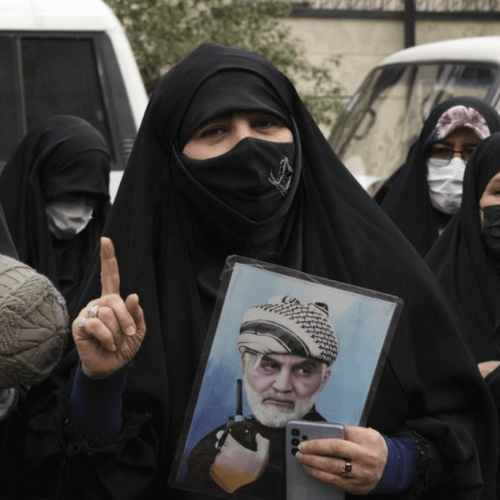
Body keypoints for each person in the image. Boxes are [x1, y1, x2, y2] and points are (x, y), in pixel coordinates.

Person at [26, 43, 499, 499]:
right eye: (214, 130)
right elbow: (70, 474)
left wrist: (396, 463)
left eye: (266, 122)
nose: (247, 145)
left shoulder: (378, 269)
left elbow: (462, 426)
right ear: (172, 155)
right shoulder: (126, 299)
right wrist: (102, 383)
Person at [182, 295, 338, 497]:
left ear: (323, 379)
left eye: (304, 370)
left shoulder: (336, 451)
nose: (282, 386)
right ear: (244, 364)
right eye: (269, 365)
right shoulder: (211, 444)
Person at [0, 115, 111, 315]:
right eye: (69, 197)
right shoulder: (6, 246)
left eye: (92, 201)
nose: (80, 213)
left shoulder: (107, 254)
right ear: (37, 185)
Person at [374, 96, 500, 257]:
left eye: (473, 153)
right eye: (441, 151)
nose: (456, 165)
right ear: (422, 157)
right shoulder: (380, 232)